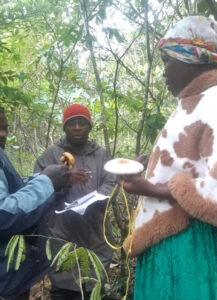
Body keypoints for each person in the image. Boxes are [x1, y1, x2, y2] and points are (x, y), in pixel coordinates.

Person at [123, 16, 217, 300]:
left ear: (194, 61)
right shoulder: (193, 102)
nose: (164, 72)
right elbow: (190, 159)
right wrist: (153, 163)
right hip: (170, 240)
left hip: (188, 242)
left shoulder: (212, 102)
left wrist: (151, 189)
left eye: (168, 61)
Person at [34, 103, 116, 300]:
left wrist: (100, 197)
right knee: (63, 290)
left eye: (82, 123)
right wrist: (64, 182)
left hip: (95, 235)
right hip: (61, 236)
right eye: (72, 123)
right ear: (64, 127)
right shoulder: (51, 155)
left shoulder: (101, 155)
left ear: (89, 127)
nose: (77, 127)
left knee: (92, 289)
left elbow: (111, 181)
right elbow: (37, 188)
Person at [0, 107, 74, 299]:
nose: (3, 134)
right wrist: (46, 182)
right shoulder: (52, 151)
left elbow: (12, 188)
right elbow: (4, 215)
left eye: (6, 128)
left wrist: (46, 180)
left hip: (13, 274)